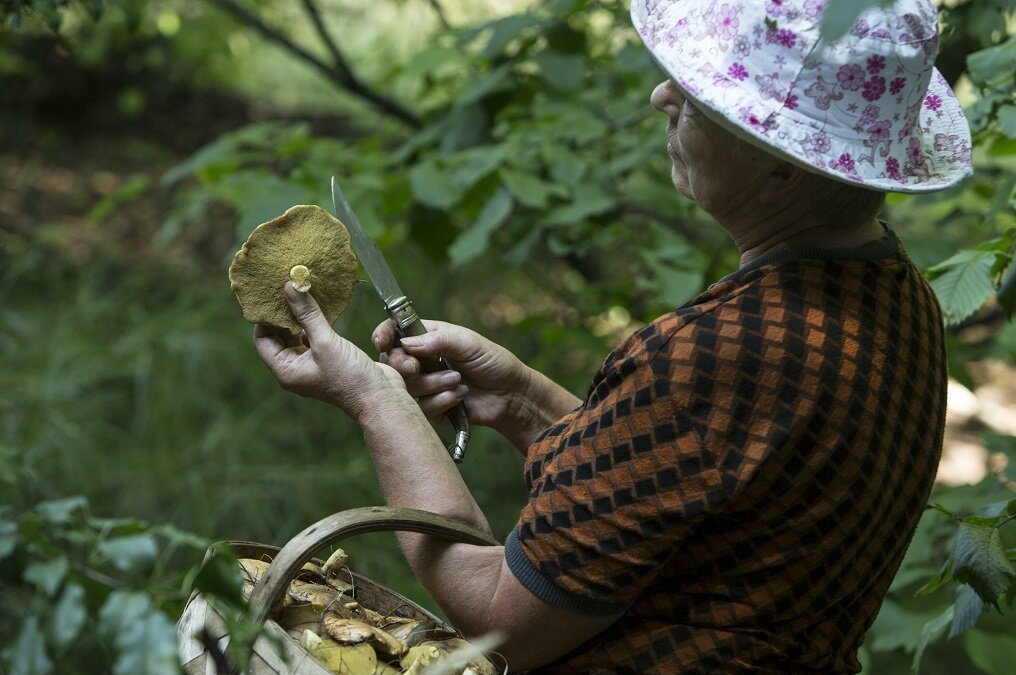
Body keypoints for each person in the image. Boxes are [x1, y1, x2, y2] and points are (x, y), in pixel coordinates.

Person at [252, 0, 972, 671]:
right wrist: (522, 400)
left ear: (782, 163)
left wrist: (375, 399)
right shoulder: (900, 300)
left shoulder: (716, 353)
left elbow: (502, 619)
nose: (664, 96)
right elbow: (689, 495)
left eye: (699, 94)